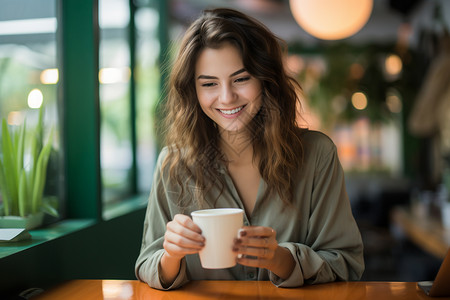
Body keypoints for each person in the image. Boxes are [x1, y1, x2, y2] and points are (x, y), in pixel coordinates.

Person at [135, 8, 364, 290]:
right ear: (192, 91)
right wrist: (171, 255)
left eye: (241, 79)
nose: (227, 97)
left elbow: (347, 264)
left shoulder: (317, 155)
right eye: (209, 84)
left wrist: (280, 259)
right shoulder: (173, 163)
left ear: (265, 79)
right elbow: (147, 264)